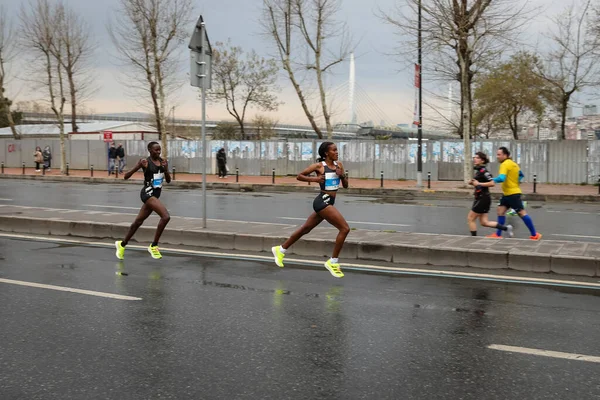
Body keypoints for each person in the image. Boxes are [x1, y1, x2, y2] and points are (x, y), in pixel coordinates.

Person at [271, 142, 350, 278]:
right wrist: (316, 179)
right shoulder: (319, 166)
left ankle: (281, 249)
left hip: (330, 201)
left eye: (337, 150)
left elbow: (346, 186)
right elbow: (299, 176)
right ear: (326, 153)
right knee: (344, 229)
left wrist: (342, 175)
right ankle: (333, 262)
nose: (337, 152)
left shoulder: (339, 165)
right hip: (322, 201)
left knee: (305, 229)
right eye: (334, 150)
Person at [115, 141, 171, 260]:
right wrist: (138, 166)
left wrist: (166, 169)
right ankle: (154, 246)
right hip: (147, 193)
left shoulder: (163, 162)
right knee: (165, 216)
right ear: (150, 150)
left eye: (159, 149)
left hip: (155, 196)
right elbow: (126, 176)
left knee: (138, 222)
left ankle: (122, 244)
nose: (159, 152)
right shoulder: (145, 162)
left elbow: (168, 180)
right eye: (156, 150)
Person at [487, 147, 542, 240]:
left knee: (522, 213)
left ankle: (534, 234)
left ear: (505, 155)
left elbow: (501, 178)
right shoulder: (514, 164)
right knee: (500, 211)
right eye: (497, 154)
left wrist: (492, 180)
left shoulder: (504, 164)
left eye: (499, 154)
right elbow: (521, 175)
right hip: (507, 194)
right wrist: (516, 182)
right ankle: (498, 234)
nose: (497, 157)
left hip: (512, 194)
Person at [467, 152, 513, 237]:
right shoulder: (479, 170)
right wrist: (472, 182)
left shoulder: (484, 171)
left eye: (477, 158)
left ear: (482, 160)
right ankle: (506, 228)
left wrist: (479, 184)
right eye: (474, 157)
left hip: (482, 198)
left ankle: (473, 239)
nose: (475, 159)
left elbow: (492, 183)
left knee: (470, 218)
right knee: (484, 222)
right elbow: (478, 182)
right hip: (481, 198)